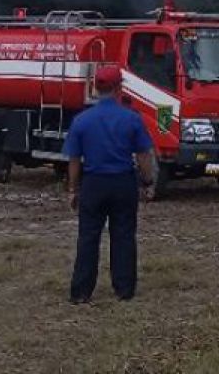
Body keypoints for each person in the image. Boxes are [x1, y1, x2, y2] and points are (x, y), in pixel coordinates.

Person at [63, 64, 156, 304]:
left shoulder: (81, 121)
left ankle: (81, 291)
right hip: (123, 182)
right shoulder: (131, 118)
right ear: (119, 88)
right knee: (124, 235)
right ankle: (124, 289)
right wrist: (147, 182)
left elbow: (74, 160)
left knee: (88, 237)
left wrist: (73, 189)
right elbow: (144, 155)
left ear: (95, 87)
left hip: (93, 184)